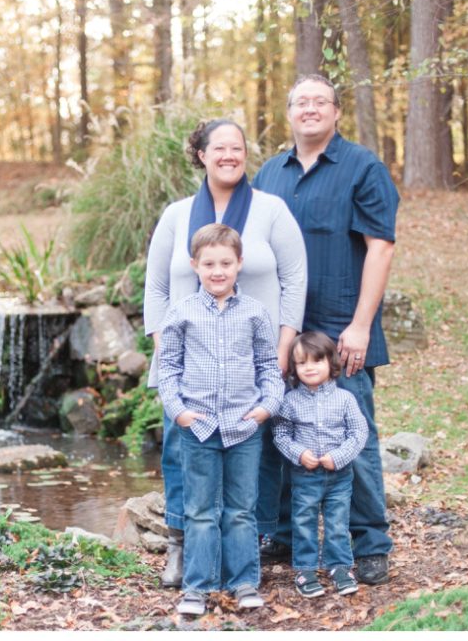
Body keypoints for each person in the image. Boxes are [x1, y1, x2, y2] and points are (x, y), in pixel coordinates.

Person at [144, 119, 307, 588]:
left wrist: (283, 348)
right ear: (201, 154)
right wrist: (164, 352)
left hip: (254, 362)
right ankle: (182, 547)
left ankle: (246, 552)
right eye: (220, 148)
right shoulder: (176, 215)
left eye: (237, 148)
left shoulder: (271, 210)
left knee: (254, 457)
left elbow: (296, 280)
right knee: (181, 454)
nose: (229, 155)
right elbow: (156, 287)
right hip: (185, 367)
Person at [253, 73, 399, 585]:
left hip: (340, 332)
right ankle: (286, 536)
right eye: (301, 102)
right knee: (283, 432)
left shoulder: (363, 168)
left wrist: (360, 326)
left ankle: (370, 542)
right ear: (289, 113)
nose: (310, 109)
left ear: (337, 112)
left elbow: (380, 247)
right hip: (282, 334)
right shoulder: (269, 174)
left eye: (321, 101)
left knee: (352, 436)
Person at [156, 224, 285, 615]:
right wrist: (179, 412)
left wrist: (267, 407)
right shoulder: (182, 313)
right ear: (194, 265)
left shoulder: (255, 313)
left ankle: (244, 581)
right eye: (209, 263)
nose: (217, 271)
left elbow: (268, 365)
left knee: (242, 508)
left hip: (244, 425)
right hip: (198, 426)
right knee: (199, 509)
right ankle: (197, 586)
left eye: (225, 263)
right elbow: (167, 368)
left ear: (239, 264)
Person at [274, 331, 367, 598]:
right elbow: (281, 435)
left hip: (339, 476)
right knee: (304, 520)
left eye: (317, 361)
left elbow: (358, 433)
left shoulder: (345, 400)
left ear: (330, 363)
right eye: (302, 363)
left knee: (337, 521)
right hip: (305, 475)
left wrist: (338, 456)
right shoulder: (289, 401)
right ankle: (305, 569)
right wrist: (299, 453)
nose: (310, 367)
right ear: (294, 368)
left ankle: (339, 567)